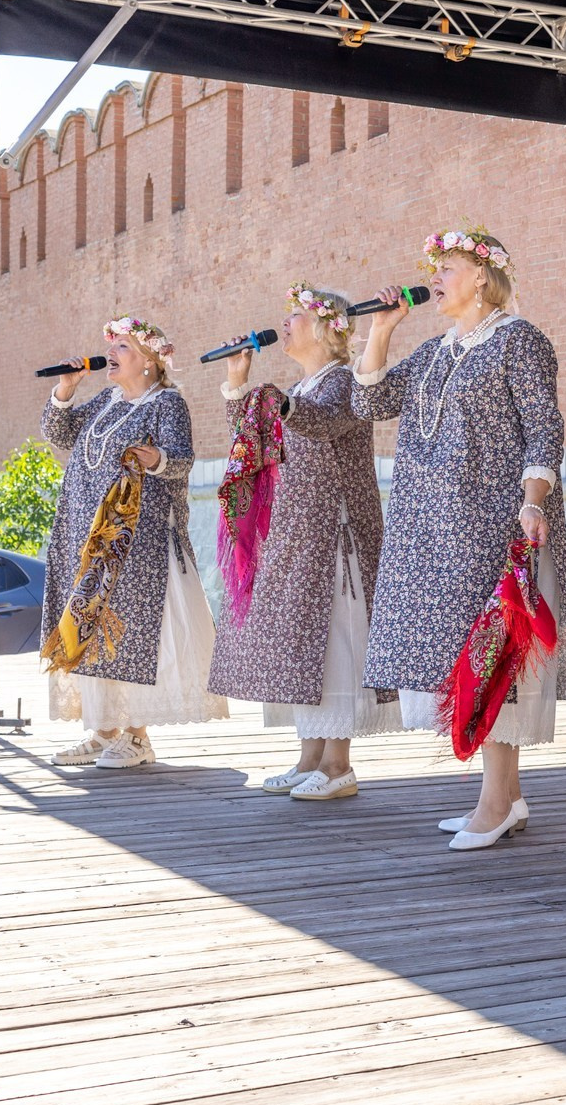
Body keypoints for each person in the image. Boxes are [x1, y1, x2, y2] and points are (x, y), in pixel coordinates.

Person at [353, 228, 566, 850]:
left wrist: (533, 501)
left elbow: (544, 428)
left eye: (447, 267)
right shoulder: (433, 351)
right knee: (451, 657)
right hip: (426, 528)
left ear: (482, 276)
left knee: (490, 654)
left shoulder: (519, 342)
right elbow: (369, 400)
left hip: (486, 522)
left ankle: (497, 799)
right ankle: (503, 797)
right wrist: (381, 329)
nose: (437, 277)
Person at [206, 285, 389, 801]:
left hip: (334, 531)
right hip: (294, 533)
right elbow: (251, 440)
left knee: (334, 641)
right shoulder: (302, 385)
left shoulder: (345, 382)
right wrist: (239, 384)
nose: (284, 323)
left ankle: (338, 765)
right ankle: (310, 756)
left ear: (328, 328)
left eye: (295, 316)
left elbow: (326, 424)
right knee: (301, 643)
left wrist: (279, 402)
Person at [40, 315, 225, 769]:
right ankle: (104, 731)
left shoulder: (167, 403)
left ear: (148, 362)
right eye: (114, 346)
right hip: (86, 537)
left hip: (136, 543)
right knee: (92, 629)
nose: (113, 354)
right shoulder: (105, 400)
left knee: (133, 633)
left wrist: (158, 458)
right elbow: (59, 434)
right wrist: (66, 388)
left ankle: (138, 736)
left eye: (123, 347)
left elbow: (183, 461)